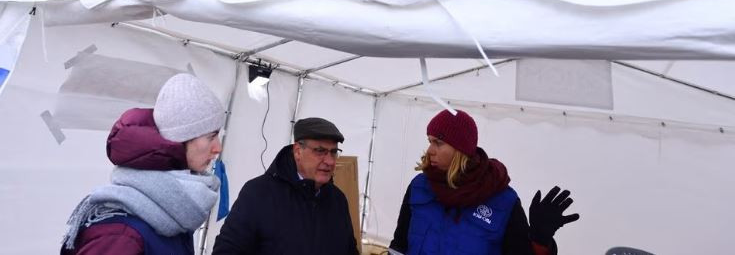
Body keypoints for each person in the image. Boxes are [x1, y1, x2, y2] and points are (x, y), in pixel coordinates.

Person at [61, 73, 226, 254]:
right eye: (211, 136)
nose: (218, 147)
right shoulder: (121, 235)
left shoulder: (169, 212)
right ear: (180, 139)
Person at [389, 109, 579, 255]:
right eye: (429, 141)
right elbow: (399, 245)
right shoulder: (420, 186)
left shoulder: (503, 200)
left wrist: (539, 240)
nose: (430, 150)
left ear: (460, 149)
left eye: (438, 143)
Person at [212, 117, 359, 255]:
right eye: (320, 151)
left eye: (333, 152)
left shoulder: (338, 199)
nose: (330, 161)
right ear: (297, 152)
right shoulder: (259, 194)